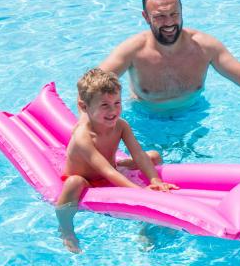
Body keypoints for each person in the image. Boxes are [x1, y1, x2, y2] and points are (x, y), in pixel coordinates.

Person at [99, 0, 240, 112]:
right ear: (145, 17)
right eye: (160, 16)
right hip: (147, 120)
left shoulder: (204, 46)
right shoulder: (133, 51)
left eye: (174, 14)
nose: (169, 22)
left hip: (193, 115)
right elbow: (93, 85)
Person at [55, 68, 179, 254]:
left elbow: (138, 154)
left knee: (153, 156)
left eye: (117, 102)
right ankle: (66, 231)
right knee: (74, 182)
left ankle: (147, 228)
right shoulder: (83, 136)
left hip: (113, 168)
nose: (113, 110)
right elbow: (107, 171)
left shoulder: (121, 125)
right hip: (89, 180)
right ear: (84, 107)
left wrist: (156, 181)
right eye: (104, 105)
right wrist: (140, 193)